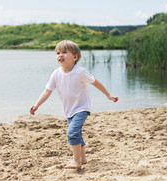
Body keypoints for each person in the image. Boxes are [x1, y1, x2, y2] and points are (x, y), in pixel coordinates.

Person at [29, 40, 118, 169]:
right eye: (58, 53)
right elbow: (47, 91)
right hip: (68, 110)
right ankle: (82, 158)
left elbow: (95, 82)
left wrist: (108, 95)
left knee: (72, 132)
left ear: (75, 57)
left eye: (65, 52)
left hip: (82, 108)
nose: (60, 55)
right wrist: (37, 105)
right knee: (77, 133)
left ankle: (76, 161)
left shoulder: (80, 72)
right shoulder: (56, 74)